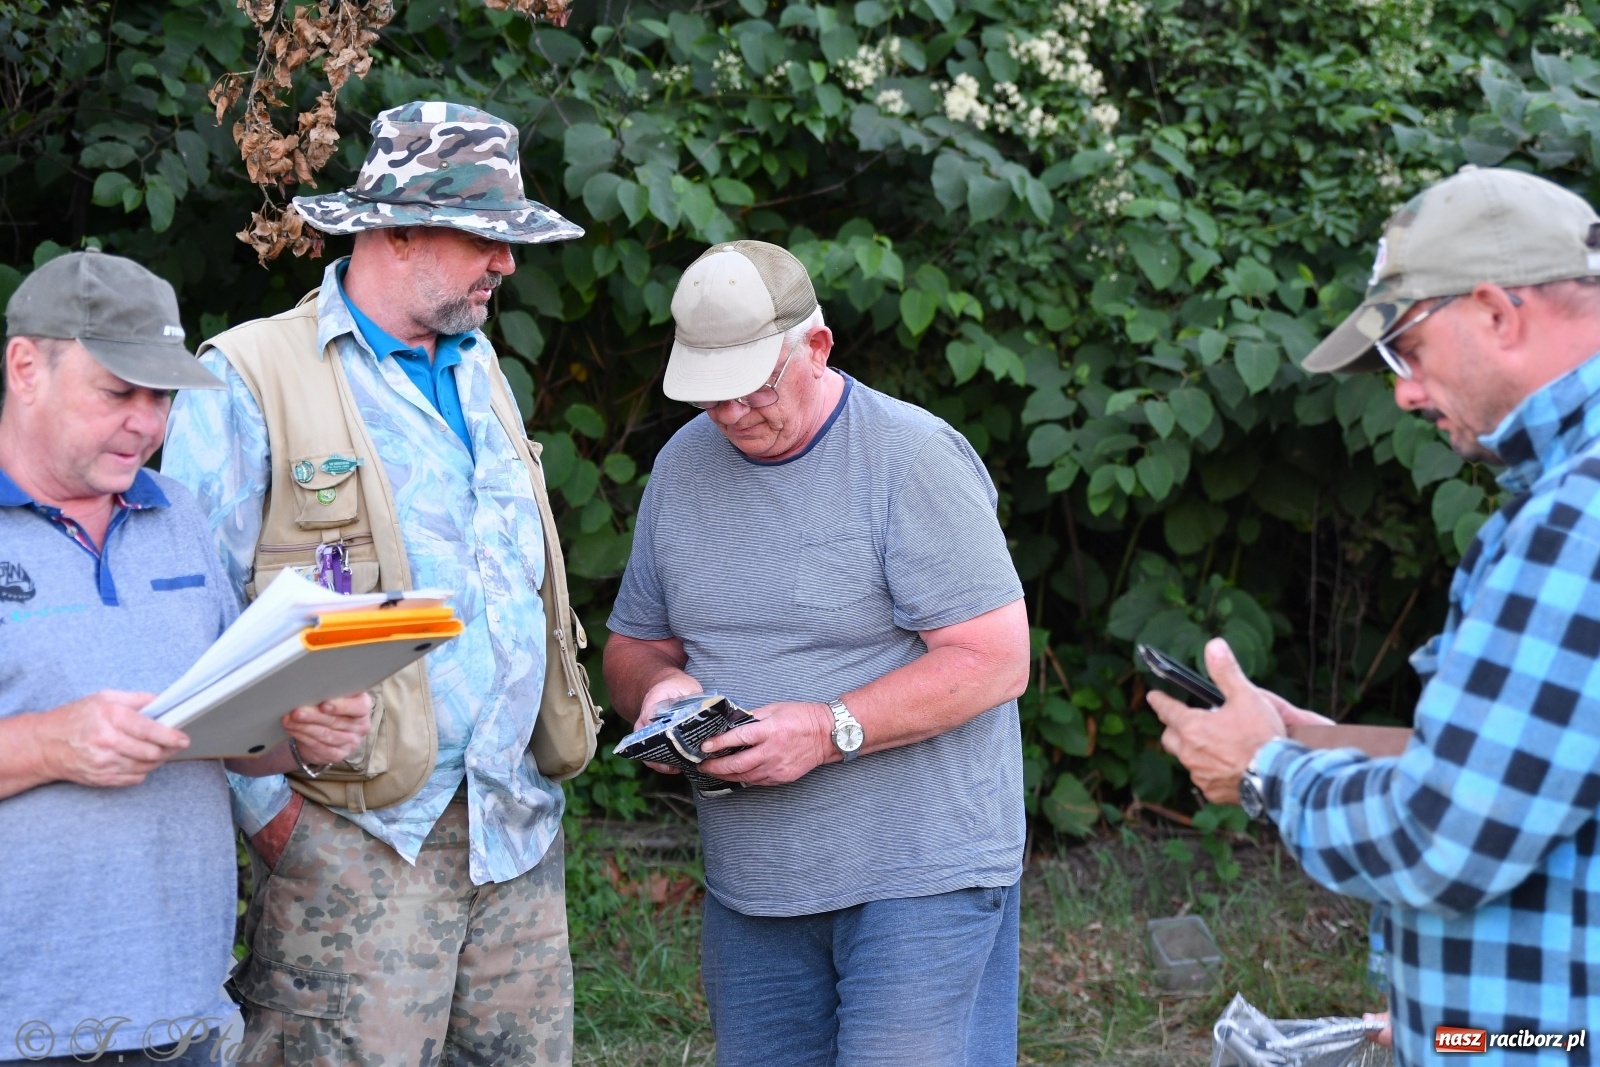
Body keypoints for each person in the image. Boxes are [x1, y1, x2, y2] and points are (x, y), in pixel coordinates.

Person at [162, 101, 586, 1065]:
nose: (508, 264)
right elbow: (185, 627)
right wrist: (270, 819)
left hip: (515, 833)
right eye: (486, 237)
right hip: (353, 842)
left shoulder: (482, 367)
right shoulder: (250, 374)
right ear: (394, 231)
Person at [1150, 166, 1600, 1065]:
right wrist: (1322, 740)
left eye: (1405, 349)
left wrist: (1264, 770)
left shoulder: (1576, 519)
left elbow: (1446, 837)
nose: (1401, 390)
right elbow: (1538, 774)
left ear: (1497, 313)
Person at [603, 240, 1031, 1067]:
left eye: (752, 388)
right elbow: (633, 644)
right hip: (755, 883)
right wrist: (657, 693)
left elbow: (995, 658)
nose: (730, 414)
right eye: (710, 395)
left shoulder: (911, 456)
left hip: (919, 875)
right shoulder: (681, 468)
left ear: (817, 348)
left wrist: (830, 726)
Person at [0, 250, 370, 1065]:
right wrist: (45, 743)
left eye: (162, 395)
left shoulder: (177, 516)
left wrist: (300, 726)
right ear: (26, 366)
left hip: (182, 1012)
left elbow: (227, 732)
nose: (149, 422)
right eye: (117, 391)